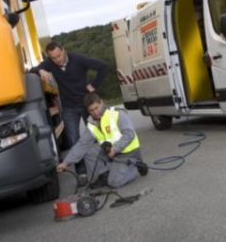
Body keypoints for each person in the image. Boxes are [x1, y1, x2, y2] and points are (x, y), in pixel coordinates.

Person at [31, 41, 109, 182]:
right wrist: (40, 70)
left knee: (98, 136)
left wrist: (93, 85)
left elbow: (103, 66)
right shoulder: (49, 63)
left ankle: (105, 167)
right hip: (68, 107)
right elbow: (32, 70)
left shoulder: (78, 59)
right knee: (74, 140)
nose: (57, 60)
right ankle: (82, 174)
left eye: (59, 56)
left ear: (64, 51)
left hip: (86, 105)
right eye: (53, 58)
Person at [56, 92, 148, 189]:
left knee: (114, 182)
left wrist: (115, 149)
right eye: (91, 110)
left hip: (128, 153)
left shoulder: (116, 113)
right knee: (88, 151)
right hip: (110, 153)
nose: (95, 112)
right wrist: (66, 162)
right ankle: (103, 176)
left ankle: (136, 166)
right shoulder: (92, 124)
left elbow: (129, 134)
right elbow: (81, 145)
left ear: (102, 103)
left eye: (97, 108)